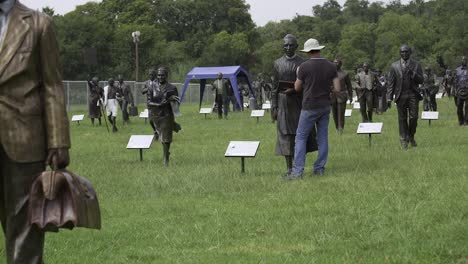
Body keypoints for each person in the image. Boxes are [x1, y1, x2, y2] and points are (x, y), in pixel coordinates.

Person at [0, 1, 71, 263]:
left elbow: (52, 85)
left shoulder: (39, 24)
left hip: (24, 139)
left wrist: (59, 139)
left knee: (25, 227)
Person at [283, 38, 339, 180]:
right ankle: (319, 168)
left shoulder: (303, 67)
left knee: (300, 137)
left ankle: (297, 172)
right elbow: (337, 88)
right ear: (319, 49)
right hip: (325, 106)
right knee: (323, 137)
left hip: (309, 106)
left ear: (308, 52)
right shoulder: (331, 66)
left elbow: (297, 87)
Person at [272, 34, 317, 175]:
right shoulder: (277, 63)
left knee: (301, 135)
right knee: (285, 136)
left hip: (299, 103)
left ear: (296, 47)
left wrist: (297, 90)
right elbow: (274, 86)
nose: (288, 47)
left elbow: (309, 84)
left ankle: (299, 166)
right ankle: (289, 167)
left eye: (291, 45)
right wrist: (274, 106)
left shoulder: (303, 62)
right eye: (285, 45)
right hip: (283, 103)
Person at [387, 44, 424, 149]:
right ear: (400, 53)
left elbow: (421, 80)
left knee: (414, 117)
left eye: (406, 51)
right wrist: (389, 97)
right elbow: (391, 83)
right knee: (402, 118)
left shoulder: (416, 64)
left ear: (410, 52)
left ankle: (411, 136)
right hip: (401, 94)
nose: (404, 53)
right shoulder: (394, 66)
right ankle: (403, 139)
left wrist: (413, 73)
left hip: (413, 94)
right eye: (402, 52)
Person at [147, 67, 180, 166]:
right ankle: (167, 152)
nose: (160, 77)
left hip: (167, 114)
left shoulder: (172, 88)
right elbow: (149, 102)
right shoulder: (152, 86)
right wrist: (160, 104)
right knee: (162, 137)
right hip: (155, 115)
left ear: (166, 76)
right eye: (159, 75)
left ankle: (165, 158)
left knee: (166, 138)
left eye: (162, 75)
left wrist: (172, 100)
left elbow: (177, 104)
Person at [331, 58, 353, 134]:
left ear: (340, 64)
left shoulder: (345, 74)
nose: (335, 64)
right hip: (333, 95)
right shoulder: (330, 73)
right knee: (334, 113)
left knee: (341, 113)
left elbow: (349, 86)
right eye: (334, 62)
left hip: (342, 95)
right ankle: (337, 127)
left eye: (336, 63)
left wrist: (350, 96)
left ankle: (341, 128)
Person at [143, 69, 159, 137]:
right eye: (149, 75)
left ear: (155, 75)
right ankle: (155, 131)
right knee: (150, 120)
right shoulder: (146, 83)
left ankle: (159, 131)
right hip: (149, 103)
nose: (150, 76)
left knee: (157, 119)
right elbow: (142, 91)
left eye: (152, 75)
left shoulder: (158, 82)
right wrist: (148, 88)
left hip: (157, 103)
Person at [454, 56, 468, 125]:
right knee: (459, 106)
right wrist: (455, 90)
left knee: (467, 107)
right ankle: (460, 120)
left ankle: (466, 121)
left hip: (467, 90)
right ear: (461, 61)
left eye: (465, 60)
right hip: (459, 90)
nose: (464, 61)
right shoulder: (457, 70)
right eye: (463, 60)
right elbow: (455, 81)